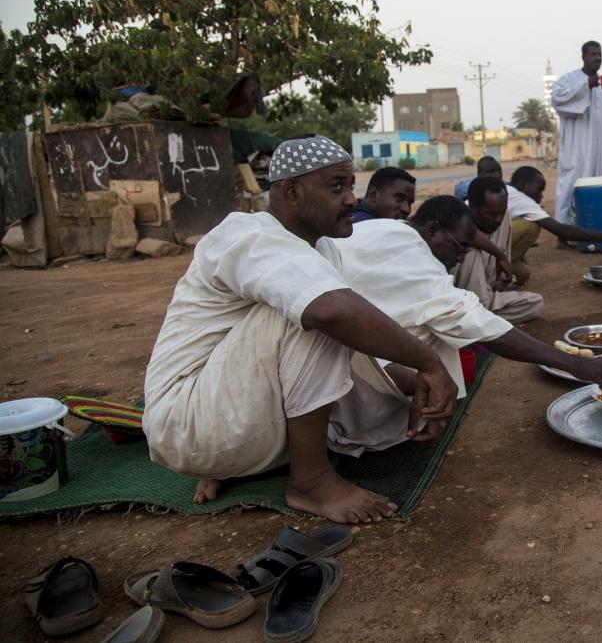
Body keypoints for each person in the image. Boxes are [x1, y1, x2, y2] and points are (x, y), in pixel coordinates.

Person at [142, 134, 457, 524]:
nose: (350, 200)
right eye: (337, 186)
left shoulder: (322, 249)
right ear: (291, 191)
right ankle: (310, 480)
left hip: (238, 427)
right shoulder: (247, 235)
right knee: (319, 312)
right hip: (189, 421)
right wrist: (430, 362)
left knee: (355, 342)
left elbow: (352, 344)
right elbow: (332, 314)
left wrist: (416, 386)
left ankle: (240, 463)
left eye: (352, 186)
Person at [330, 196, 602, 453]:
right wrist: (574, 364)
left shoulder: (384, 228)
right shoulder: (416, 260)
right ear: (432, 230)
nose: (461, 256)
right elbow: (475, 324)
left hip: (335, 341)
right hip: (333, 378)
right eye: (459, 246)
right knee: (440, 335)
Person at [551, 40, 602, 230]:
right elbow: (557, 100)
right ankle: (565, 230)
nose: (597, 58)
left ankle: (601, 228)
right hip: (578, 150)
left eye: (600, 54)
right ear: (583, 57)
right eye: (593, 55)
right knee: (571, 186)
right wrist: (586, 86)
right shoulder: (568, 80)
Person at [506, 166, 602, 284]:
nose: (541, 196)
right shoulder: (523, 201)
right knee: (531, 227)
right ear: (523, 184)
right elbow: (563, 231)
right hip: (490, 248)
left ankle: (498, 268)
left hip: (489, 242)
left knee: (523, 274)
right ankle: (495, 265)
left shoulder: (506, 189)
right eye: (538, 190)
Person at [455, 176, 545, 322]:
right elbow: (471, 235)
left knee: (536, 302)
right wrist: (500, 256)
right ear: (472, 206)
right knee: (470, 250)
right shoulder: (459, 218)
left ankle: (478, 318)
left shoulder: (503, 219)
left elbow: (503, 269)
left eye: (501, 213)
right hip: (463, 300)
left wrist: (501, 283)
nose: (498, 219)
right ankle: (476, 317)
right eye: (491, 214)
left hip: (489, 299)